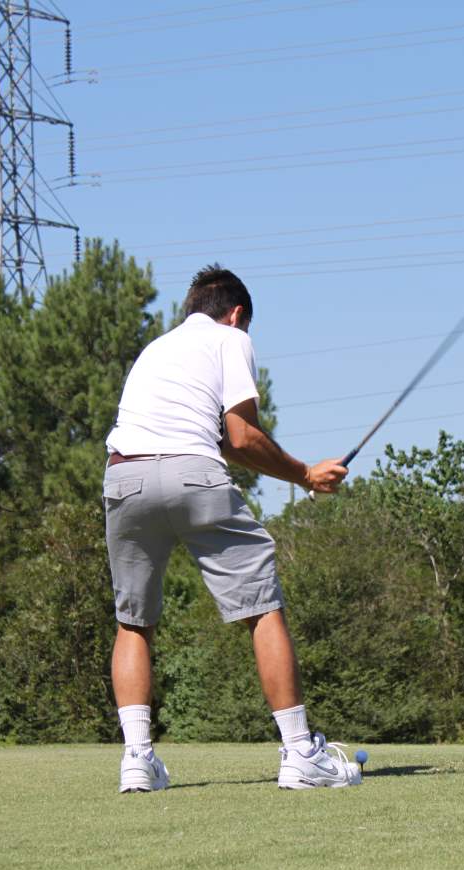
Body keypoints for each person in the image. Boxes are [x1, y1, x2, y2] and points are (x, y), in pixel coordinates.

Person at [103, 264, 361, 792]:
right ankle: (299, 754)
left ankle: (137, 760)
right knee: (262, 608)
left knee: (133, 621)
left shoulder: (156, 348)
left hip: (123, 475)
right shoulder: (228, 339)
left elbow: (216, 438)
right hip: (192, 474)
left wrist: (301, 474)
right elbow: (241, 437)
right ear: (236, 313)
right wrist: (307, 474)